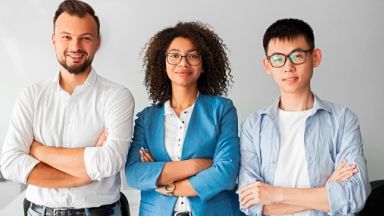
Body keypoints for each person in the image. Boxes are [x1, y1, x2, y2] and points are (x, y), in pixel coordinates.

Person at [0, 0, 134, 215]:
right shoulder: (31, 96)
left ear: (97, 42)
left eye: (85, 38)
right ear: (53, 40)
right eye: (66, 37)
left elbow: (110, 162)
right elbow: (10, 163)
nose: (75, 46)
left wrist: (38, 151)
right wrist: (83, 174)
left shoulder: (117, 96)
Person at [238, 18, 370, 216]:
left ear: (315, 57)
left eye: (297, 56)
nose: (288, 67)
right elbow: (251, 205)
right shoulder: (254, 125)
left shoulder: (342, 119)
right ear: (267, 65)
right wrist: (326, 191)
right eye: (277, 59)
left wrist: (275, 194)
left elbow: (354, 196)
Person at [125, 21, 243, 216]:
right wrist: (200, 165)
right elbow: (134, 174)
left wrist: (166, 183)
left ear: (204, 65)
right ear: (163, 64)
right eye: (174, 56)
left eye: (193, 56)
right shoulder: (147, 118)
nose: (183, 63)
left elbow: (226, 173)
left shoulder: (222, 109)